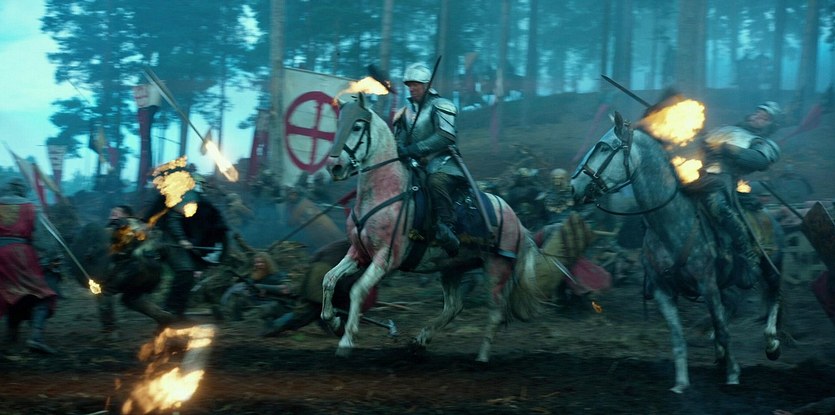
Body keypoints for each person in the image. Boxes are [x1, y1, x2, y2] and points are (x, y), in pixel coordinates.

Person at [693, 101, 782, 288]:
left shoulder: (763, 143)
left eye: (765, 117)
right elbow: (701, 143)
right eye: (758, 112)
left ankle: (748, 254)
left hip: (725, 183)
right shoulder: (727, 130)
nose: (759, 116)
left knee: (718, 205)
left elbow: (759, 160)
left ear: (771, 125)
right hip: (697, 175)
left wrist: (728, 149)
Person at [393, 62, 468, 257]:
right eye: (409, 85)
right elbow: (400, 140)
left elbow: (445, 136)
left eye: (416, 85)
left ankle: (448, 228)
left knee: (436, 182)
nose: (411, 88)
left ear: (427, 85)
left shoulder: (442, 105)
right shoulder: (406, 113)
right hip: (414, 165)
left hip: (442, 163)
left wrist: (414, 149)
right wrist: (399, 148)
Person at [0, 178, 58, 354]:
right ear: (22, 191)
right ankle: (36, 338)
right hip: (19, 255)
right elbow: (43, 239)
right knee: (42, 294)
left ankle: (11, 335)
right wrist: (49, 259)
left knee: (7, 292)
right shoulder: (31, 208)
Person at [97, 205, 175, 336]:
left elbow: (105, 242)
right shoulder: (145, 227)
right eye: (111, 214)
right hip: (155, 271)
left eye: (115, 213)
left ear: (126, 215)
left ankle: (110, 331)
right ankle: (163, 317)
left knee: (104, 292)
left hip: (136, 268)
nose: (111, 217)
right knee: (131, 298)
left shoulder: (122, 223)